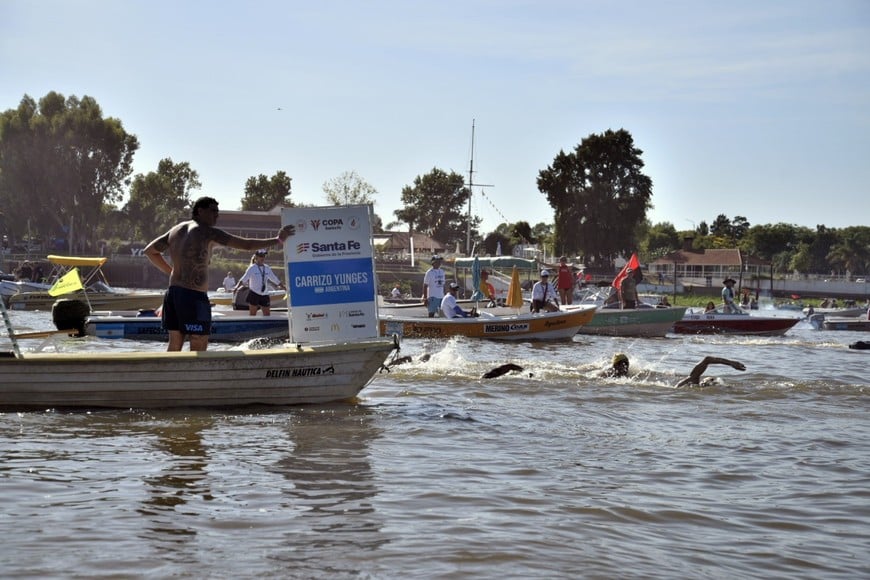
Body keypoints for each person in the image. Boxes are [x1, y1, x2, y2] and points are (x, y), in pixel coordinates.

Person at [143, 195, 295, 352]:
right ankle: (197, 369)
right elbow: (247, 244)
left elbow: (150, 251)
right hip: (193, 296)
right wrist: (278, 240)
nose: (216, 215)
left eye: (217, 212)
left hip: (173, 293)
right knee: (199, 341)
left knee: (175, 343)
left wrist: (172, 272)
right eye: (213, 211)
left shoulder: (176, 230)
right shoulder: (207, 232)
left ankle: (171, 369)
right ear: (200, 211)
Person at [603, 353, 746, 387]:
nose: (709, 384)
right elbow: (707, 359)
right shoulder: (692, 380)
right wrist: (731, 363)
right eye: (710, 382)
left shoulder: (694, 385)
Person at [235, 250, 286, 317]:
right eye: (261, 256)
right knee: (253, 315)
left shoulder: (267, 268)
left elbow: (274, 279)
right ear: (256, 257)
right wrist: (236, 287)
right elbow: (243, 279)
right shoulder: (252, 268)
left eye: (264, 256)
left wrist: (284, 287)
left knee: (267, 315)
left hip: (264, 294)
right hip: (254, 294)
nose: (263, 258)